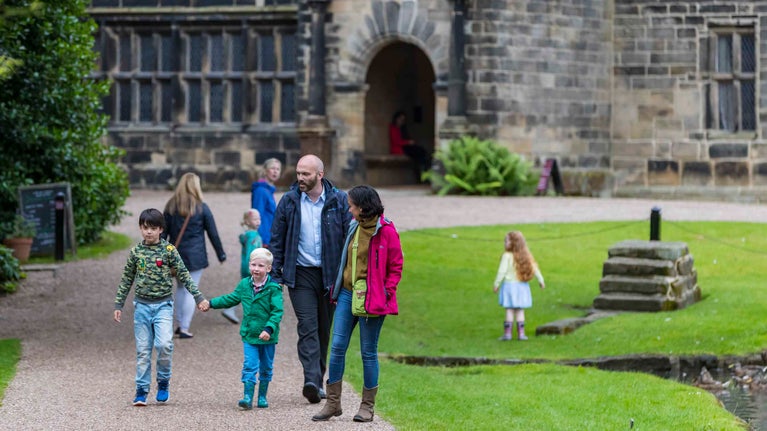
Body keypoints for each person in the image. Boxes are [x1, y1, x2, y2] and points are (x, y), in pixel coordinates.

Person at [312, 185, 403, 423]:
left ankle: (367, 407)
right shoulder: (354, 227)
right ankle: (333, 404)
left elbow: (396, 267)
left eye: (351, 205)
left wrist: (385, 292)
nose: (348, 208)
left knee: (368, 352)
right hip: (347, 293)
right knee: (337, 346)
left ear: (362, 207)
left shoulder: (387, 232)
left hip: (373, 298)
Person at [270, 154, 352, 404]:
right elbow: (277, 239)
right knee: (307, 326)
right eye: (298, 173)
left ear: (320, 174)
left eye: (306, 174)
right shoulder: (290, 201)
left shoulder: (338, 200)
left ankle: (318, 378)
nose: (300, 178)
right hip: (300, 273)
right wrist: (275, 277)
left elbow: (351, 240)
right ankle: (312, 380)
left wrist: (350, 275)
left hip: (330, 276)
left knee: (324, 330)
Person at [113, 208, 210, 406]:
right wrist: (119, 303)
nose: (148, 232)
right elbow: (126, 279)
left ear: (161, 229)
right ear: (140, 228)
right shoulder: (136, 252)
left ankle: (163, 381)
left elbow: (184, 274)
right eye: (145, 228)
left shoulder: (169, 251)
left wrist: (198, 297)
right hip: (141, 306)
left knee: (164, 344)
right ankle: (141, 390)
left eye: (153, 228)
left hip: (163, 306)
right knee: (143, 350)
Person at [205, 248, 283, 410]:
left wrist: (269, 329)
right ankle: (247, 396)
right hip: (250, 334)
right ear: (249, 266)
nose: (256, 269)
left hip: (268, 336)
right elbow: (230, 299)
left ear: (268, 269)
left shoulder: (273, 289)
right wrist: (211, 303)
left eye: (261, 266)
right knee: (249, 364)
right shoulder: (244, 285)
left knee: (266, 366)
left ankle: (262, 396)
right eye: (253, 265)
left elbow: (277, 311)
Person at [163, 172, 229, 336]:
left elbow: (162, 234)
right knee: (190, 291)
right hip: (195, 256)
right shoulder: (201, 207)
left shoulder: (171, 206)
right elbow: (213, 233)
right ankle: (184, 327)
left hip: (175, 255)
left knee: (179, 289)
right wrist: (220, 253)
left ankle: (178, 324)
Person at [492, 231, 545, 341]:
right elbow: (534, 268)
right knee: (520, 310)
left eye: (506, 241)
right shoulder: (526, 256)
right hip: (522, 287)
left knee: (509, 309)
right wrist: (541, 280)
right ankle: (521, 334)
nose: (504, 243)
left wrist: (496, 283)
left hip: (509, 287)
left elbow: (501, 272)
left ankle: (508, 334)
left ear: (513, 243)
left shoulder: (506, 256)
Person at [389, 110, 431, 178]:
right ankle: (422, 172)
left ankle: (424, 169)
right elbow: (396, 141)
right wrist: (408, 142)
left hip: (406, 147)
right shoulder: (393, 128)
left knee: (420, 151)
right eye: (400, 119)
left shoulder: (402, 129)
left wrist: (409, 142)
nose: (401, 122)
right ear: (396, 119)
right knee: (417, 152)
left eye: (403, 120)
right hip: (399, 148)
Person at [251, 158, 282, 248]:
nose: (275, 171)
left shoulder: (268, 191)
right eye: (272, 168)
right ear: (265, 170)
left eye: (278, 169)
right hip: (264, 240)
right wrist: (261, 240)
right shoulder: (261, 191)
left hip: (270, 237)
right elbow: (257, 216)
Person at [239, 209, 262, 279]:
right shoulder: (252, 238)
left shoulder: (250, 235)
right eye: (255, 219)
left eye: (259, 218)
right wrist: (251, 270)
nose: (258, 221)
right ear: (248, 222)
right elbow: (250, 255)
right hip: (252, 271)